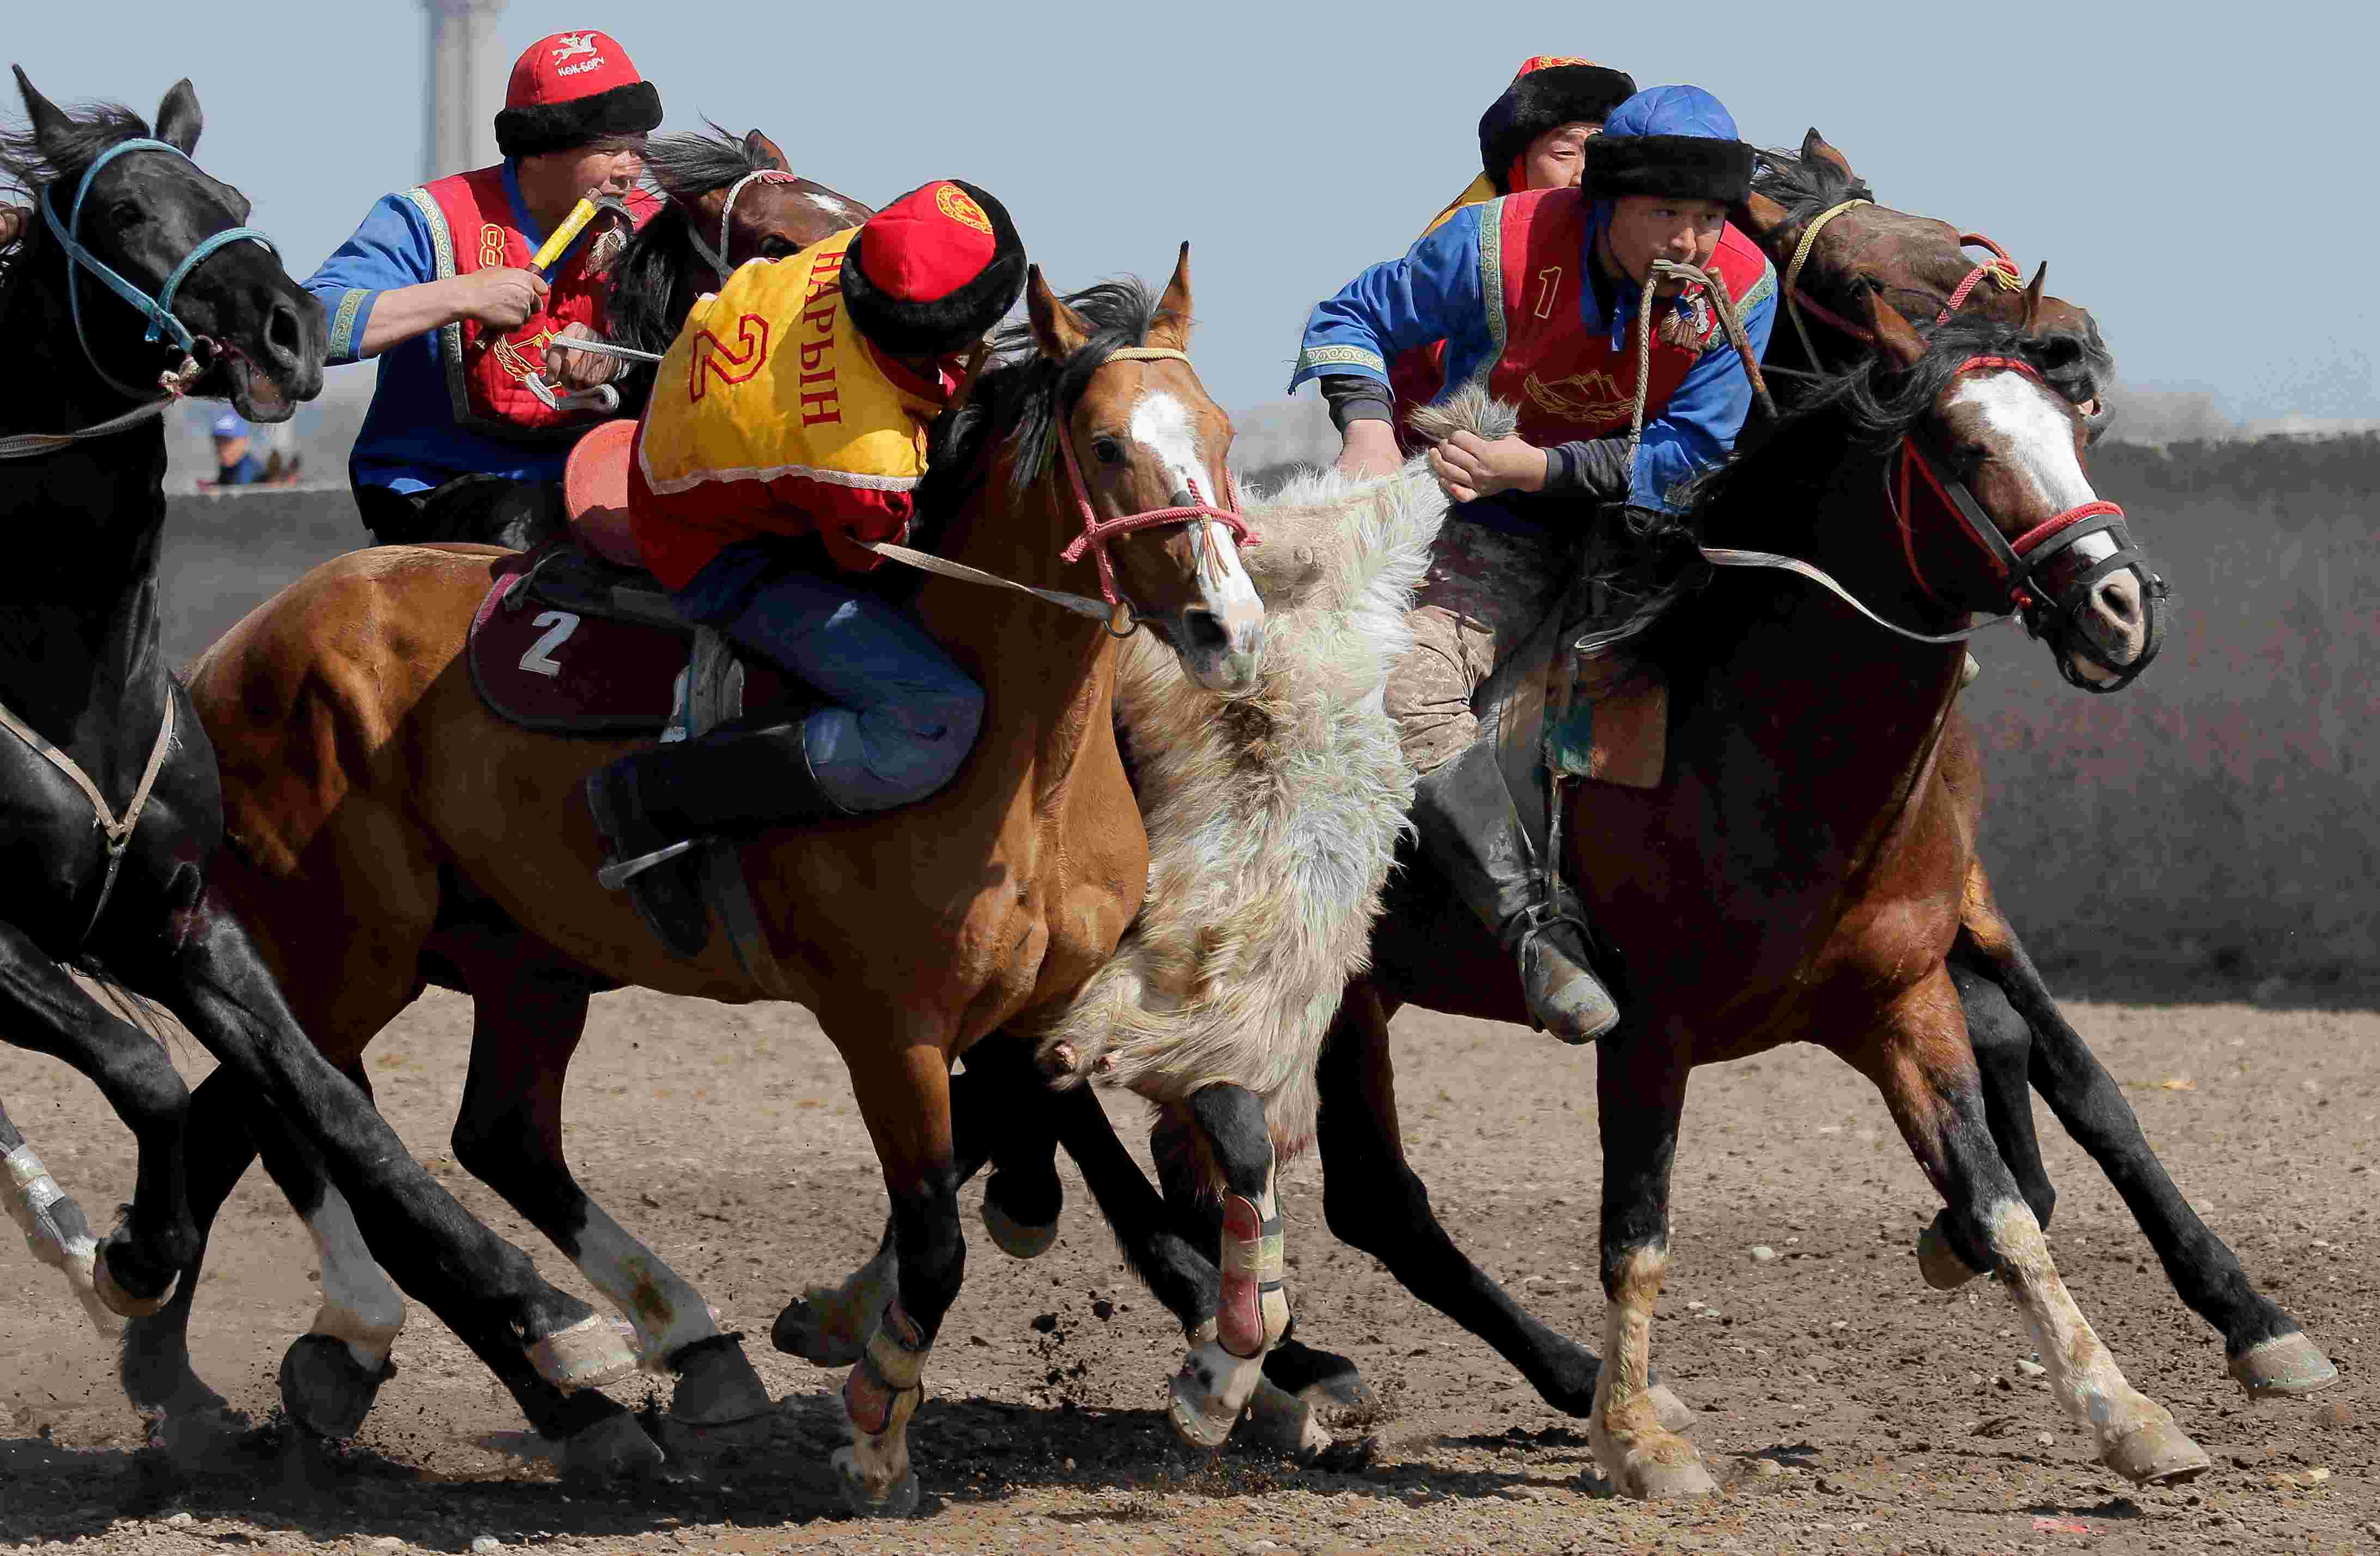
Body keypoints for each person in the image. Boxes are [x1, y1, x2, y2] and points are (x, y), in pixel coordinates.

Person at [1287, 84, 1778, 1042]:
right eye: (1665, 215)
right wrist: (1367, 433)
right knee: (1403, 688)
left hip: (1652, 535)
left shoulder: (1742, 287)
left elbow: (1690, 456)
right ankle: (1534, 934)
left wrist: (1540, 464)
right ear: (1604, 201)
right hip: (1491, 531)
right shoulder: (1490, 245)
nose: (1690, 243)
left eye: (1708, 218)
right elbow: (1347, 318)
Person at [584, 180, 1027, 956]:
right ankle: (661, 795)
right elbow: (856, 560)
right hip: (716, 550)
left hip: (696, 432)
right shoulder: (870, 463)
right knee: (933, 715)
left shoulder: (839, 254)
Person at [302, 29, 663, 546]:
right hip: (440, 486)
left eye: (639, 145)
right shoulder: (425, 220)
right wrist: (461, 296)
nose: (633, 169)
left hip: (597, 477)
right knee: (542, 535)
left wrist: (620, 353)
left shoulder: (652, 228)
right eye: (611, 150)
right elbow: (314, 322)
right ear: (538, 150)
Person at [1393, 57, 1642, 439]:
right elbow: (1466, 368)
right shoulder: (1465, 237)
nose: (1584, 173)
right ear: (1515, 165)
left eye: (1601, 151)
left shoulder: (1632, 226)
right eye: (1565, 153)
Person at [208, 409, 265, 487]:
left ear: (244, 441)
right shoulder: (228, 467)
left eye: (227, 442)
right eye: (218, 441)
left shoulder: (248, 472)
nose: (222, 448)